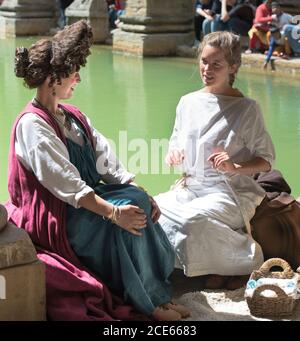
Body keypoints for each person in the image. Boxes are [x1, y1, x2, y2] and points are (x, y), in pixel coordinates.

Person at [5, 20, 190, 321]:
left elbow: (107, 160)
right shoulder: (33, 125)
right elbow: (66, 184)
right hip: (59, 213)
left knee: (136, 199)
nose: (78, 78)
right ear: (54, 78)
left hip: (87, 201)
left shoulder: (73, 116)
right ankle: (149, 303)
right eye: (73, 72)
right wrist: (114, 213)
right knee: (124, 216)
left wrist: (140, 191)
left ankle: (158, 294)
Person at [155, 31, 275, 290]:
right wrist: (173, 154)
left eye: (216, 64)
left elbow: (266, 161)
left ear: (233, 67)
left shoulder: (247, 108)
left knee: (190, 221)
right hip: (190, 187)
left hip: (230, 191)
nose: (206, 69)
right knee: (151, 209)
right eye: (204, 61)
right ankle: (215, 265)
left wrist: (235, 167)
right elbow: (175, 142)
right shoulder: (187, 102)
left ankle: (245, 262)